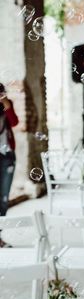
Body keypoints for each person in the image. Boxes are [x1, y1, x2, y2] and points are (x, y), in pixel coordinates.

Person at [0, 83, 18, 248]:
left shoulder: (7, 105)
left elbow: (14, 122)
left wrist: (7, 106)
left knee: (3, 199)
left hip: (7, 157)